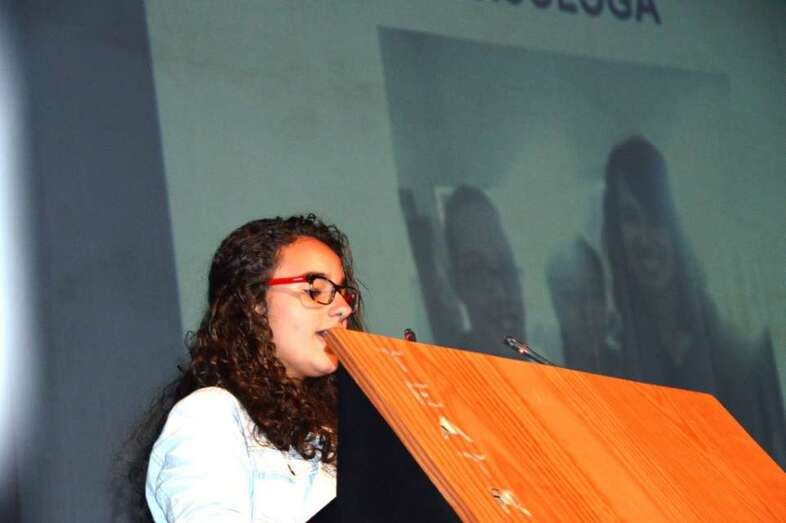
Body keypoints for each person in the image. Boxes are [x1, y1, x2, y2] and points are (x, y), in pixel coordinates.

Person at [124, 215, 363, 522]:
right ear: (254, 303)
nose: (343, 307)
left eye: (344, 293)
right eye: (315, 289)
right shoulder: (212, 413)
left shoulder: (341, 431)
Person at [602, 136, 784, 466]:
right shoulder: (611, 361)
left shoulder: (739, 352)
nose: (645, 237)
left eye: (655, 216)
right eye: (630, 217)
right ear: (615, 232)